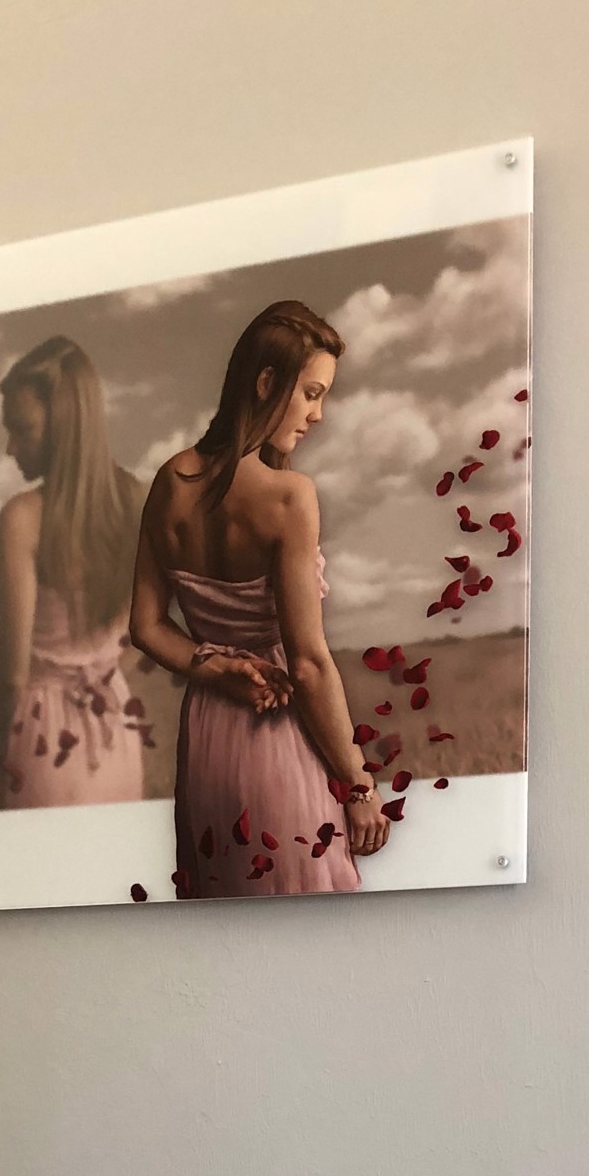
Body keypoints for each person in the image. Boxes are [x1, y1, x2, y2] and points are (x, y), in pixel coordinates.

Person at [129, 299, 387, 897]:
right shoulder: (288, 497)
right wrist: (360, 788)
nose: (319, 414)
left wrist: (214, 667)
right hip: (281, 732)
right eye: (313, 393)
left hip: (208, 739)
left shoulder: (172, 481)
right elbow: (308, 663)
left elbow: (146, 626)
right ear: (267, 382)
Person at [0, 337, 146, 809]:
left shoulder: (22, 517)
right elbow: (145, 631)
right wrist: (98, 673)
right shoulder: (136, 501)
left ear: (65, 427)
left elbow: (12, 673)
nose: (10, 447)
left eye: (22, 430)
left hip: (42, 734)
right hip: (114, 721)